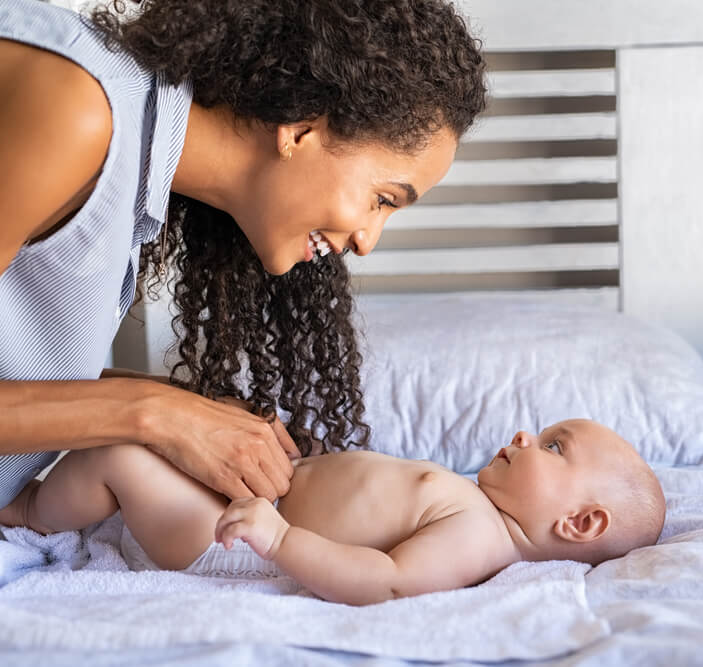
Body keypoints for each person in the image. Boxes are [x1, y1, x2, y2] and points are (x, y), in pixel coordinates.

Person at [0, 0, 487, 507]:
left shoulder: (131, 147)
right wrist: (153, 414)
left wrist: (189, 409)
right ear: (300, 131)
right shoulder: (75, 109)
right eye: (382, 199)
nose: (367, 240)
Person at [0, 419, 667, 605]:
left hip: (226, 543)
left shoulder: (479, 535)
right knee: (169, 438)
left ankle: (24, 510)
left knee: (121, 451)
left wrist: (281, 536)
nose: (525, 435)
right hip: (253, 508)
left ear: (580, 523)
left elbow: (388, 579)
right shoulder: (476, 500)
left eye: (552, 445)